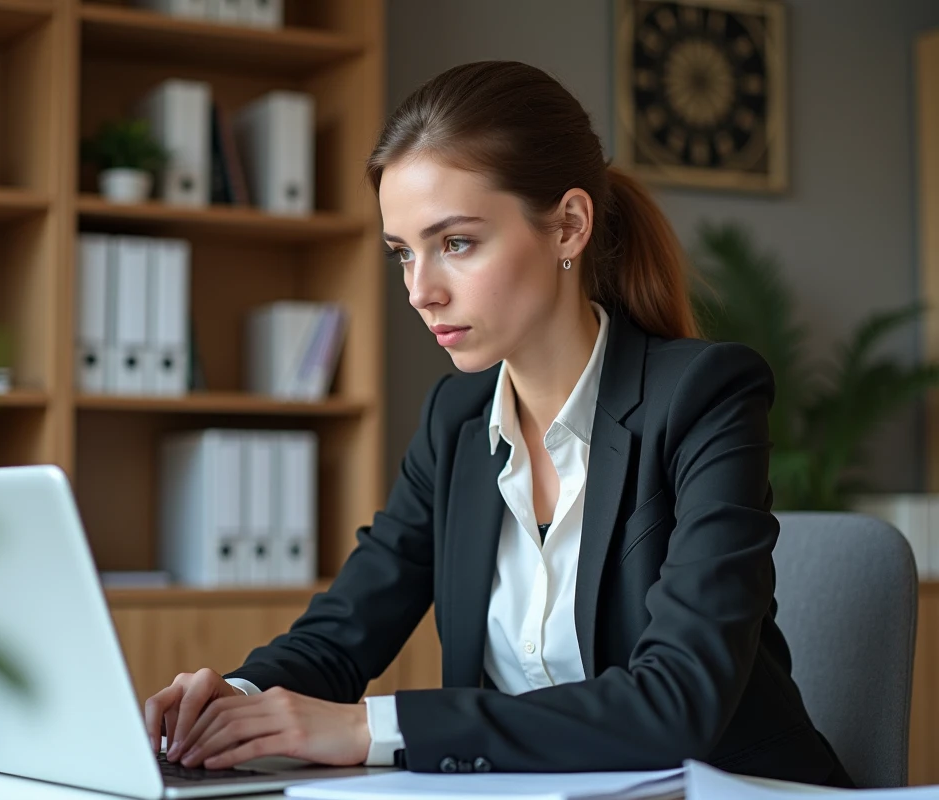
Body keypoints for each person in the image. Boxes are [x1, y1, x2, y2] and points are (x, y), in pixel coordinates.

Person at [143, 60, 854, 788]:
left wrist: (367, 727)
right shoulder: (457, 421)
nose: (421, 291)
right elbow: (345, 630)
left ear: (569, 226)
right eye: (402, 254)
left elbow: (677, 701)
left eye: (455, 243)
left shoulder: (704, 396)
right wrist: (238, 699)